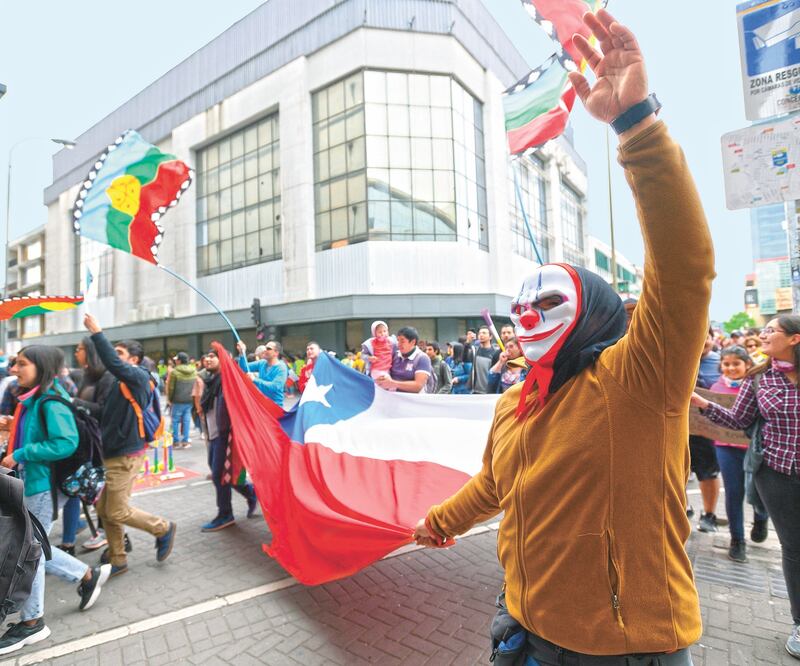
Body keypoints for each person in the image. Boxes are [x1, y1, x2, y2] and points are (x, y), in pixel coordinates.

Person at [413, 10, 712, 663]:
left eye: (548, 301)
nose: (527, 315)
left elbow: (685, 272)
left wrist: (637, 126)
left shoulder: (639, 380)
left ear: (593, 313)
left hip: (624, 650)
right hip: (522, 629)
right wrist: (439, 524)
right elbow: (495, 485)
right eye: (521, 303)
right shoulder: (512, 403)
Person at [692, 315, 800, 657]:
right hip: (776, 475)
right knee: (794, 549)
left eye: (771, 331)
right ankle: (799, 624)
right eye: (764, 330)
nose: (764, 335)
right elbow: (739, 421)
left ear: (795, 339)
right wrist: (703, 404)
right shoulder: (761, 377)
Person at [0, 346, 111, 655]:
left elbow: (65, 442)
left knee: (28, 551)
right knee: (31, 546)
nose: (15, 368)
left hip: (42, 486)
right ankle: (86, 575)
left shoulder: (50, 401)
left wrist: (20, 454)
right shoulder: (32, 398)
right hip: (31, 482)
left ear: (42, 366)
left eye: (22, 364)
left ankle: (33, 622)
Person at [82, 314, 176, 576]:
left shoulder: (138, 377)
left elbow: (112, 362)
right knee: (104, 509)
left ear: (133, 359)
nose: (115, 356)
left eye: (120, 353)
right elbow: (103, 413)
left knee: (117, 510)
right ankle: (118, 558)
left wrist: (97, 332)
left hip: (125, 455)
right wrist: (72, 402)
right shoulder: (118, 383)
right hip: (111, 453)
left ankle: (162, 527)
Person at [704, 345, 769, 563]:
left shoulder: (758, 385)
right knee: (733, 493)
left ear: (747, 364)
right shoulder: (715, 387)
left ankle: (761, 518)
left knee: (759, 493)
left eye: (736, 364)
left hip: (755, 450)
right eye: (726, 364)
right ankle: (737, 540)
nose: (731, 368)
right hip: (725, 447)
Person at [199, 349, 258, 531]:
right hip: (213, 434)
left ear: (223, 359)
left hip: (225, 436)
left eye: (212, 356)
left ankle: (225, 514)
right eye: (206, 356)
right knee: (224, 474)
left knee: (220, 475)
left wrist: (242, 354)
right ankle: (251, 493)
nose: (207, 359)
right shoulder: (211, 381)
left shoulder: (228, 381)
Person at [691, 328, 723, 532]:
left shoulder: (722, 361)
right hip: (680, 427)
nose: (702, 341)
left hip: (708, 430)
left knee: (708, 472)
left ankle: (709, 514)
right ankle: (682, 508)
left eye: (706, 337)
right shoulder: (678, 358)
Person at [376, 326, 432, 394]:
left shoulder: (422, 358)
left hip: (413, 402)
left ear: (413, 342)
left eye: (402, 341)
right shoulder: (394, 355)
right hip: (393, 399)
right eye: (398, 340)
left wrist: (392, 383)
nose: (399, 344)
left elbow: (418, 386)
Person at [235, 339, 288, 407]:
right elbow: (244, 368)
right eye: (265, 348)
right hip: (261, 406)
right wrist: (242, 353)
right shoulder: (262, 363)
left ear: (276, 353)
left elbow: (275, 386)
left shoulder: (281, 367)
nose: (265, 350)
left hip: (275, 407)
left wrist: (254, 379)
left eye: (268, 348)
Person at [167, 352, 197, 449]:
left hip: (177, 399)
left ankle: (176, 442)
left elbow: (171, 387)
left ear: (179, 361)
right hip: (189, 399)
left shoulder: (175, 372)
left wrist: (170, 399)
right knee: (186, 420)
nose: (175, 361)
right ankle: (185, 441)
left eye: (176, 359)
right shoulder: (194, 370)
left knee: (175, 420)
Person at [470, 326, 496, 395]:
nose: (481, 335)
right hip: (475, 391)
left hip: (489, 392)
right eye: (479, 333)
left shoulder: (495, 353)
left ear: (490, 337)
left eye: (484, 333)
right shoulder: (474, 351)